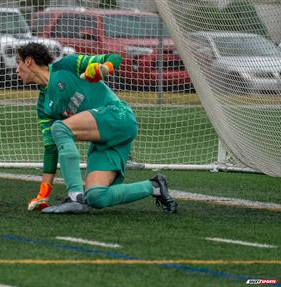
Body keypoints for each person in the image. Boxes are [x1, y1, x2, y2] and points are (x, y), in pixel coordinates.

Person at [16, 42, 177, 214]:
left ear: (28, 61)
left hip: (118, 116)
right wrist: (43, 194)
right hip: (104, 140)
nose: (16, 70)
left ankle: (74, 197)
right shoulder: (43, 106)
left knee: (60, 128)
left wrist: (104, 69)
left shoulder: (67, 65)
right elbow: (50, 149)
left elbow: (114, 58)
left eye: (18, 63)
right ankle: (154, 186)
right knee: (96, 197)